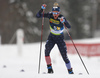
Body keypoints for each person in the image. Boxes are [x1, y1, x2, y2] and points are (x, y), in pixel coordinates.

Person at [36, 2, 74, 74]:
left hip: (60, 38)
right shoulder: (50, 15)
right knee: (46, 50)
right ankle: (49, 69)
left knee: (64, 56)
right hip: (52, 37)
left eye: (56, 13)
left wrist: (64, 21)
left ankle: (70, 71)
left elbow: (69, 27)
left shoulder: (61, 17)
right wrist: (41, 9)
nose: (55, 14)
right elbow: (38, 15)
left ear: (59, 12)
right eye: (54, 12)